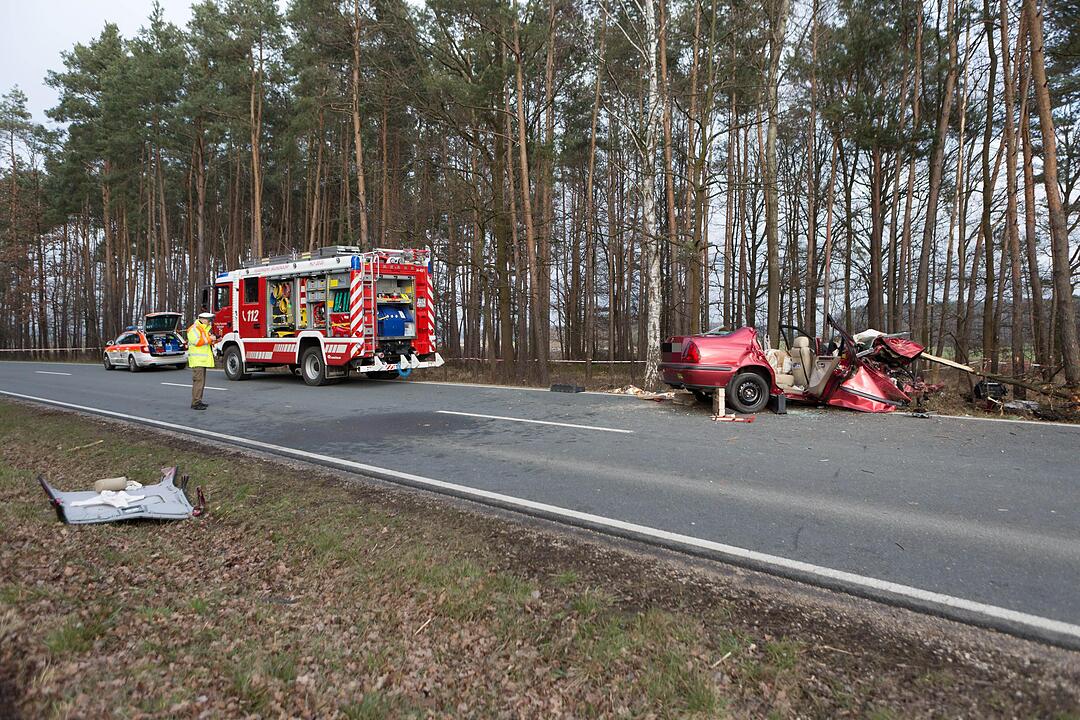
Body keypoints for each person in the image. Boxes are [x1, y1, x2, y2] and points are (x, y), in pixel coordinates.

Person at [186, 312, 216, 410]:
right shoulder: (194, 329)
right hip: (197, 361)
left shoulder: (204, 329)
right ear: (202, 319)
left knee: (201, 382)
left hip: (202, 360)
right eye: (208, 320)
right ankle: (195, 403)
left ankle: (198, 401)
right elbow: (197, 341)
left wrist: (214, 339)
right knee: (198, 382)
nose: (209, 322)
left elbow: (206, 342)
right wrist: (210, 338)